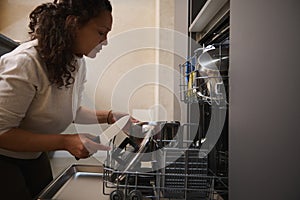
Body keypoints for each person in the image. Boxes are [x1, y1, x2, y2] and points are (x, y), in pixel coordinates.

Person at [0, 0, 137, 199]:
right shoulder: (25, 62)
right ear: (73, 24)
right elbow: (2, 132)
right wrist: (65, 141)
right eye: (101, 32)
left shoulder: (75, 60)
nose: (105, 41)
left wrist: (110, 117)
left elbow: (70, 110)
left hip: (34, 154)